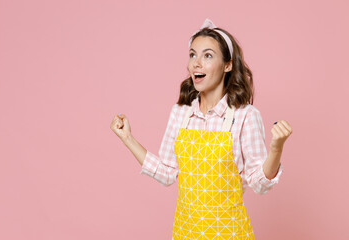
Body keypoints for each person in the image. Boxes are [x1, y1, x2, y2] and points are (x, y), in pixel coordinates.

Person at [111, 18, 292, 240]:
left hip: (230, 234)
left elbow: (259, 183)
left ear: (228, 65)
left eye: (207, 55)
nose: (196, 63)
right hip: (185, 233)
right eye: (192, 54)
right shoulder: (180, 113)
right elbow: (167, 173)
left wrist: (276, 148)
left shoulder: (245, 116)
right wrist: (127, 138)